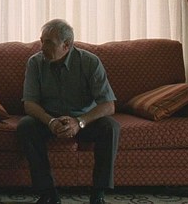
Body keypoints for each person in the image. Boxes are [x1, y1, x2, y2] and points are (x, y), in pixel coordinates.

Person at [17, 19, 120, 204]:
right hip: (49, 119)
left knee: (110, 127)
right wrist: (50, 121)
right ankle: (48, 193)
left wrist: (79, 122)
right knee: (26, 125)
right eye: (42, 41)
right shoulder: (35, 62)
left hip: (84, 120)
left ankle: (98, 194)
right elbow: (30, 103)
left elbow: (108, 105)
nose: (42, 47)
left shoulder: (90, 62)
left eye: (49, 43)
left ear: (67, 45)